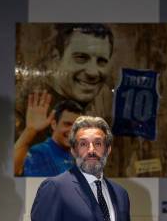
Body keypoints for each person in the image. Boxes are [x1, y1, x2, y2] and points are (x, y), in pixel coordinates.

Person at [15, 23, 114, 158]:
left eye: (101, 61)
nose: (93, 72)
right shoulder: (25, 111)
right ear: (56, 58)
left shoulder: (107, 106)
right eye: (81, 58)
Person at [14, 97, 83, 176]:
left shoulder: (77, 157)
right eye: (67, 124)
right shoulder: (40, 153)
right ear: (54, 124)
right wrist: (30, 130)